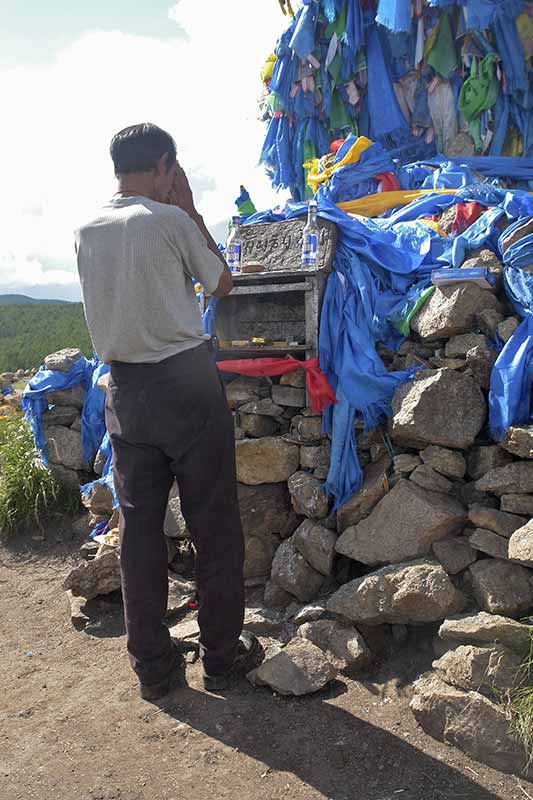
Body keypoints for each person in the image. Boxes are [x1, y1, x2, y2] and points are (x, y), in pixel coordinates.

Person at [75, 123, 260, 700]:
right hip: (186, 384)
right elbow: (222, 282)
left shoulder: (86, 229)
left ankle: (152, 666)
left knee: (139, 532)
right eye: (171, 172)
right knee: (214, 523)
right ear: (163, 166)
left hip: (125, 393)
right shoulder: (170, 220)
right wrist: (191, 208)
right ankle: (223, 657)